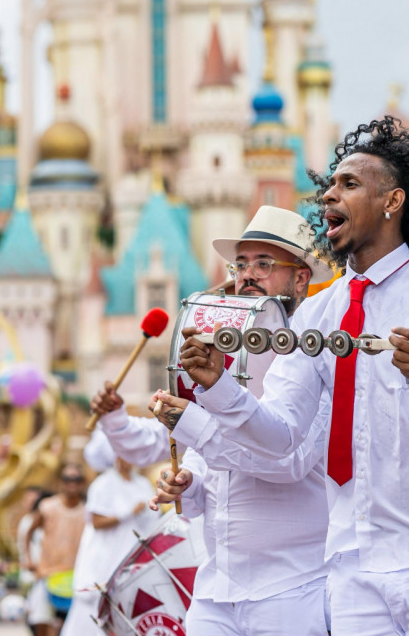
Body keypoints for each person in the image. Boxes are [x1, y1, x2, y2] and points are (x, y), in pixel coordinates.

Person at [161, 117, 409, 635]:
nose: (329, 197)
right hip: (353, 568)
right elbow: (281, 436)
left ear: (392, 202)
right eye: (329, 186)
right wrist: (220, 387)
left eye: (349, 185)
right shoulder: (319, 315)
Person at [102, 205, 336, 636]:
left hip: (291, 590)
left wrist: (192, 423)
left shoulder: (314, 348)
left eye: (264, 264)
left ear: (301, 278)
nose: (247, 274)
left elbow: (289, 461)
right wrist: (187, 483)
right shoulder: (226, 355)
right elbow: (213, 467)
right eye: (240, 264)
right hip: (215, 589)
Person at [60, 457, 156, 636]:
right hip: (105, 558)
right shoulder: (103, 484)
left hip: (133, 558)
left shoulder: (142, 484)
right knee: (95, 609)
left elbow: (152, 518)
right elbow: (96, 521)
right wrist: (127, 512)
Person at [25, 464, 89, 636]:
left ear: (82, 482)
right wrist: (29, 560)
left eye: (76, 479)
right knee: (40, 622)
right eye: (68, 479)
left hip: (76, 578)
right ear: (61, 482)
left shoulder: (88, 510)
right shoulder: (47, 506)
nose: (72, 483)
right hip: (48, 574)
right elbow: (28, 532)